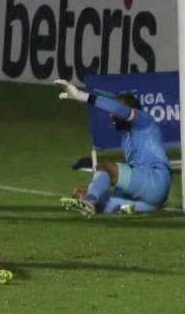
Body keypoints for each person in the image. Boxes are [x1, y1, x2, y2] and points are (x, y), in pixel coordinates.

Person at [55, 80, 171, 216]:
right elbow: (134, 177)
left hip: (156, 180)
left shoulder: (144, 121)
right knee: (86, 193)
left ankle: (90, 201)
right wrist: (93, 189)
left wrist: (81, 96)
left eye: (115, 113)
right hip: (150, 195)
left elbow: (116, 109)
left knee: (104, 168)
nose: (111, 116)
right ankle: (124, 207)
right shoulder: (127, 139)